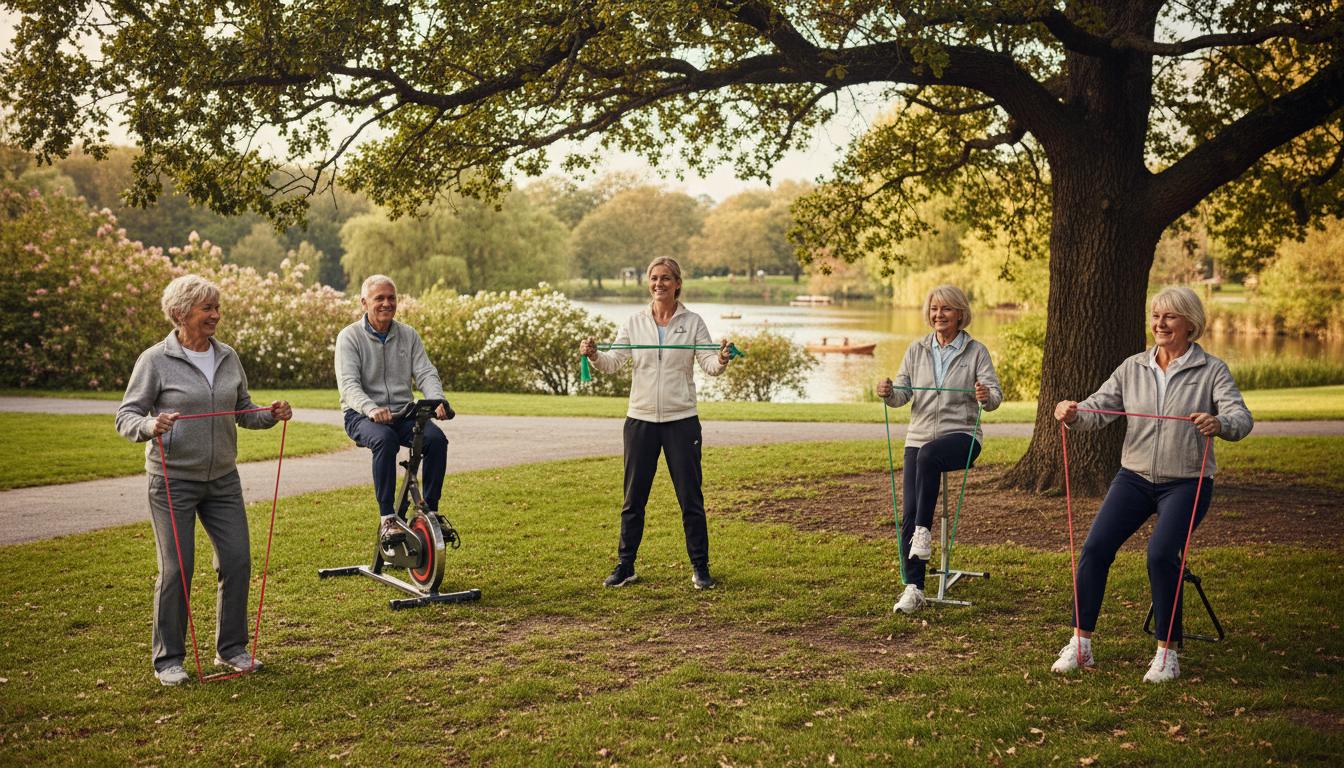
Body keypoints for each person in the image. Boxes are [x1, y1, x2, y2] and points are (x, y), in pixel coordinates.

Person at [1050, 286, 1253, 683]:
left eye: (1169, 317)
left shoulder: (1212, 370)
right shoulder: (1133, 367)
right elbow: (1098, 409)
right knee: (1095, 548)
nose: (1160, 324)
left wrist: (1220, 424)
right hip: (1135, 478)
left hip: (1187, 482)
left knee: (1161, 554)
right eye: (1156, 316)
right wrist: (1072, 413)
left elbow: (1240, 418)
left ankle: (1167, 653)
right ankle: (1080, 644)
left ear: (1190, 323)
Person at [116, 274, 291, 686]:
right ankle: (168, 660)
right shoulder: (155, 360)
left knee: (237, 560)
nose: (215, 315)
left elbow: (243, 409)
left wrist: (270, 414)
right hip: (172, 481)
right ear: (181, 314)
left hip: (223, 480)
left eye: (216, 307)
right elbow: (126, 416)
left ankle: (231, 650)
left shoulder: (227, 356)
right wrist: (150, 424)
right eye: (206, 308)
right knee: (178, 569)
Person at [580, 257, 734, 590]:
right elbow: (613, 362)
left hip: (682, 421)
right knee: (633, 499)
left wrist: (721, 358)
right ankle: (626, 565)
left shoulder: (692, 322)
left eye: (666, 278)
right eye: (654, 278)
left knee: (690, 499)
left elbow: (709, 364)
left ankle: (700, 567)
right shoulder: (634, 322)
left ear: (678, 283)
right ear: (648, 283)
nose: (659, 283)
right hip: (640, 421)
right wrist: (593, 355)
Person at [877, 285, 1001, 614]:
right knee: (909, 513)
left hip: (962, 436)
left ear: (960, 313)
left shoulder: (976, 352)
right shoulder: (916, 349)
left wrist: (985, 395)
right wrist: (889, 392)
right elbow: (902, 394)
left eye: (946, 309)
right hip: (919, 437)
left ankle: (923, 533)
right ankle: (914, 588)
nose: (938, 315)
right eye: (934, 308)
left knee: (930, 456)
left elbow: (995, 399)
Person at [335, 275, 450, 545]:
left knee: (436, 440)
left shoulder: (408, 335)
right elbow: (349, 385)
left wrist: (437, 400)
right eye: (379, 298)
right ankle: (388, 518)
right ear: (364, 303)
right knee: (385, 441)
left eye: (391, 298)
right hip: (361, 415)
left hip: (402, 414)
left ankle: (429, 512)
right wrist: (371, 408)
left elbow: (425, 373)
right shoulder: (349, 337)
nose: (387, 303)